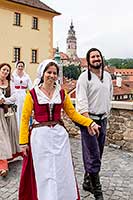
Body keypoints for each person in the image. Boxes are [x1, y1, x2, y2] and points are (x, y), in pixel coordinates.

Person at [19, 59, 100, 200]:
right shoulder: (32, 94)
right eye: (49, 72)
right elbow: (25, 119)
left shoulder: (62, 94)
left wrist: (90, 122)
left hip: (59, 137)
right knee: (44, 171)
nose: (51, 75)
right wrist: (23, 142)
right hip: (40, 138)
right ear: (42, 74)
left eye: (54, 73)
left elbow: (73, 114)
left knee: (62, 170)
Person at [76, 48, 113, 200]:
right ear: (88, 60)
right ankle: (97, 191)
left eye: (98, 56)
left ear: (101, 58)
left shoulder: (108, 77)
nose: (96, 59)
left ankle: (87, 181)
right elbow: (81, 102)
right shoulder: (84, 78)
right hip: (89, 121)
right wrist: (89, 123)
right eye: (93, 57)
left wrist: (106, 117)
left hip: (102, 120)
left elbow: (109, 98)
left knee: (98, 153)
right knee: (93, 155)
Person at [0, 63, 21, 177]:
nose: (5, 72)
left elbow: (14, 97)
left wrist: (5, 101)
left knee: (10, 134)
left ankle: (10, 155)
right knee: (2, 137)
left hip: (8, 112)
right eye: (4, 70)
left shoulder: (11, 83)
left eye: (7, 71)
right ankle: (3, 164)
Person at [11, 61, 32, 129]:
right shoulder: (13, 75)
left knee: (23, 110)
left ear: (23, 67)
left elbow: (30, 87)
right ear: (16, 66)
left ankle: (24, 127)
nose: (20, 67)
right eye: (19, 66)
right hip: (15, 94)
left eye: (22, 66)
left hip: (23, 94)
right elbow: (11, 85)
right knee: (17, 111)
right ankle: (16, 128)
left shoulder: (26, 76)